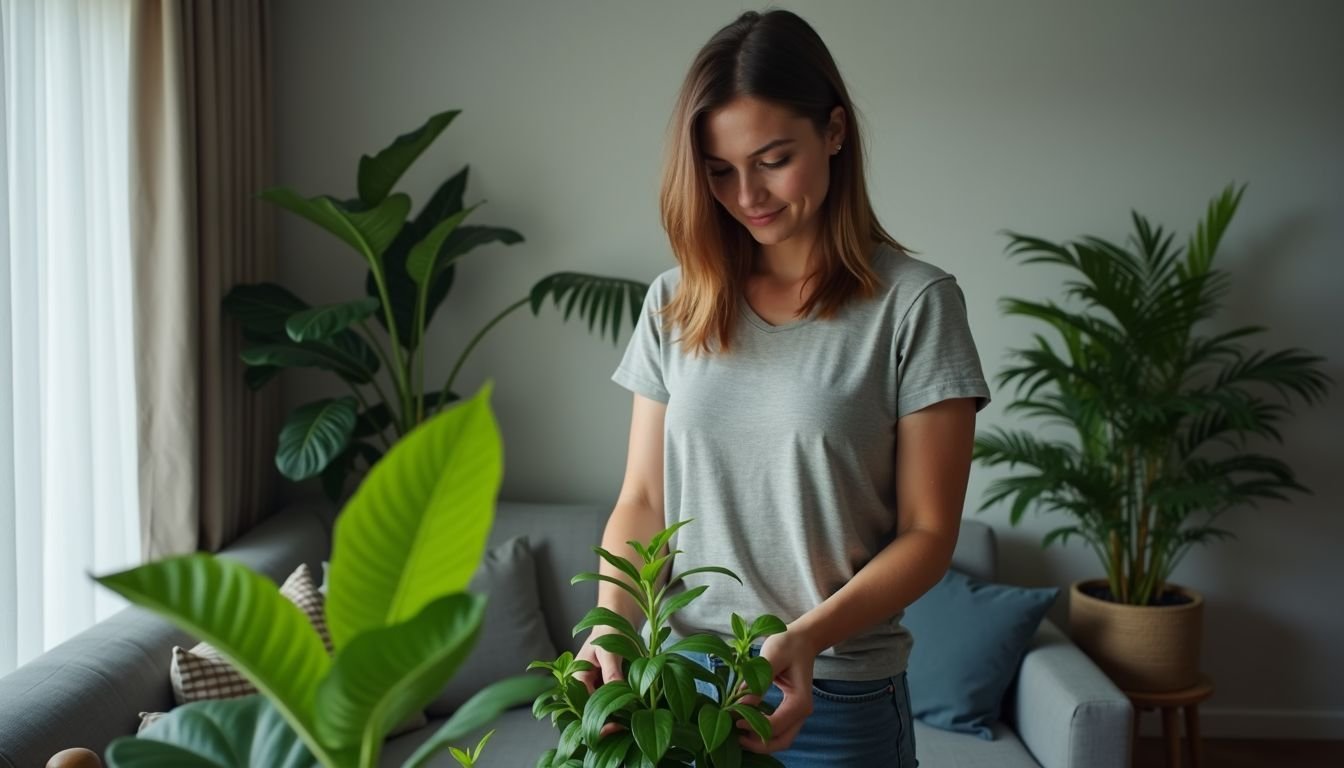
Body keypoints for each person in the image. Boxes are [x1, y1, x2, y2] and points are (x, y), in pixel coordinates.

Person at [575, 9, 991, 766]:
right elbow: (643, 499)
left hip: (837, 693)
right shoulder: (676, 301)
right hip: (683, 691)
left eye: (772, 159)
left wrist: (800, 640)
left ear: (834, 131)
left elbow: (929, 535)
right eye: (719, 170)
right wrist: (613, 627)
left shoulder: (915, 304)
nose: (747, 195)